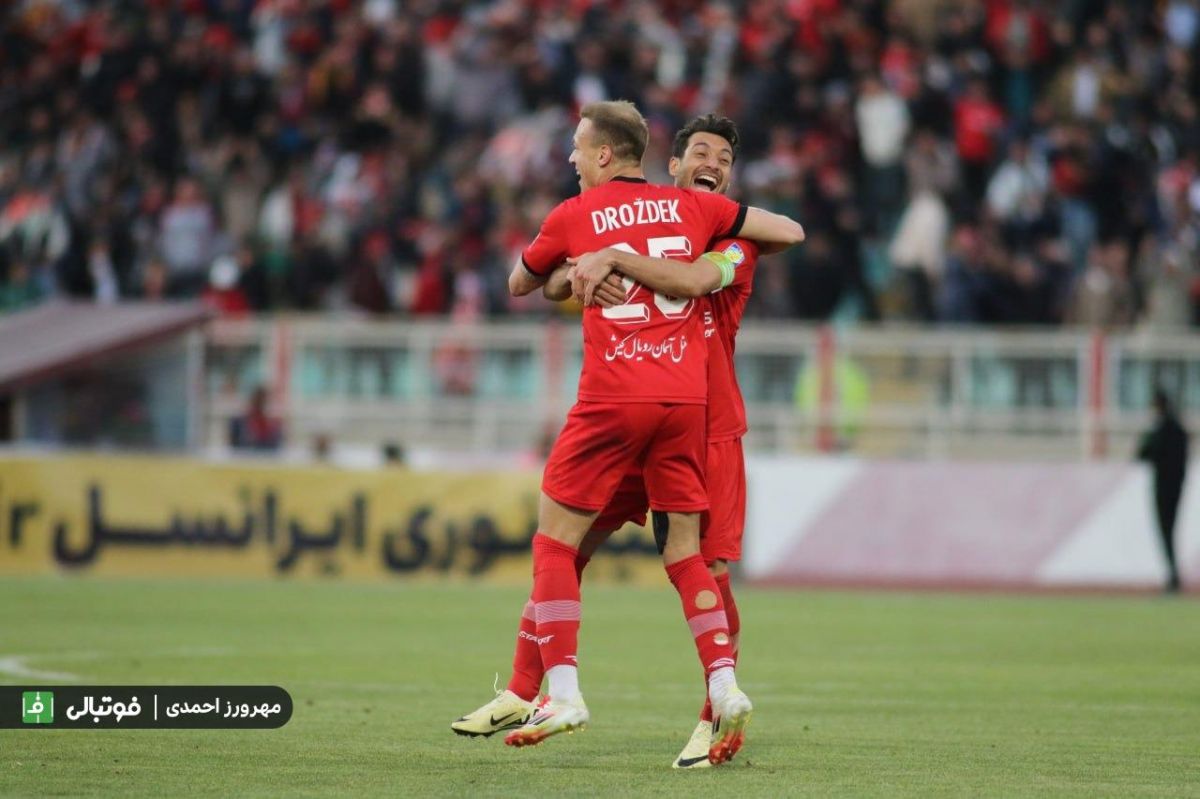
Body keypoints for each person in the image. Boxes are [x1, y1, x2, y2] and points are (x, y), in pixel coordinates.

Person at [452, 106, 800, 765]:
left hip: (706, 429)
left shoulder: (731, 242)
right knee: (570, 550)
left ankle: (713, 714)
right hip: (664, 414)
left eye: (725, 160)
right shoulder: (665, 213)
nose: (713, 165)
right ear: (672, 166)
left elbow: (697, 275)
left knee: (705, 569)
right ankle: (523, 690)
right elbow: (551, 281)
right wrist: (582, 269)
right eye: (702, 153)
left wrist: (611, 258)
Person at [1137, 388, 1189, 593]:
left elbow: (1142, 454)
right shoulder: (1179, 429)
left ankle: (1173, 577)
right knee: (1169, 531)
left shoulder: (1160, 429)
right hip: (1176, 486)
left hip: (1164, 487)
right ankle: (1173, 575)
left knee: (1166, 530)